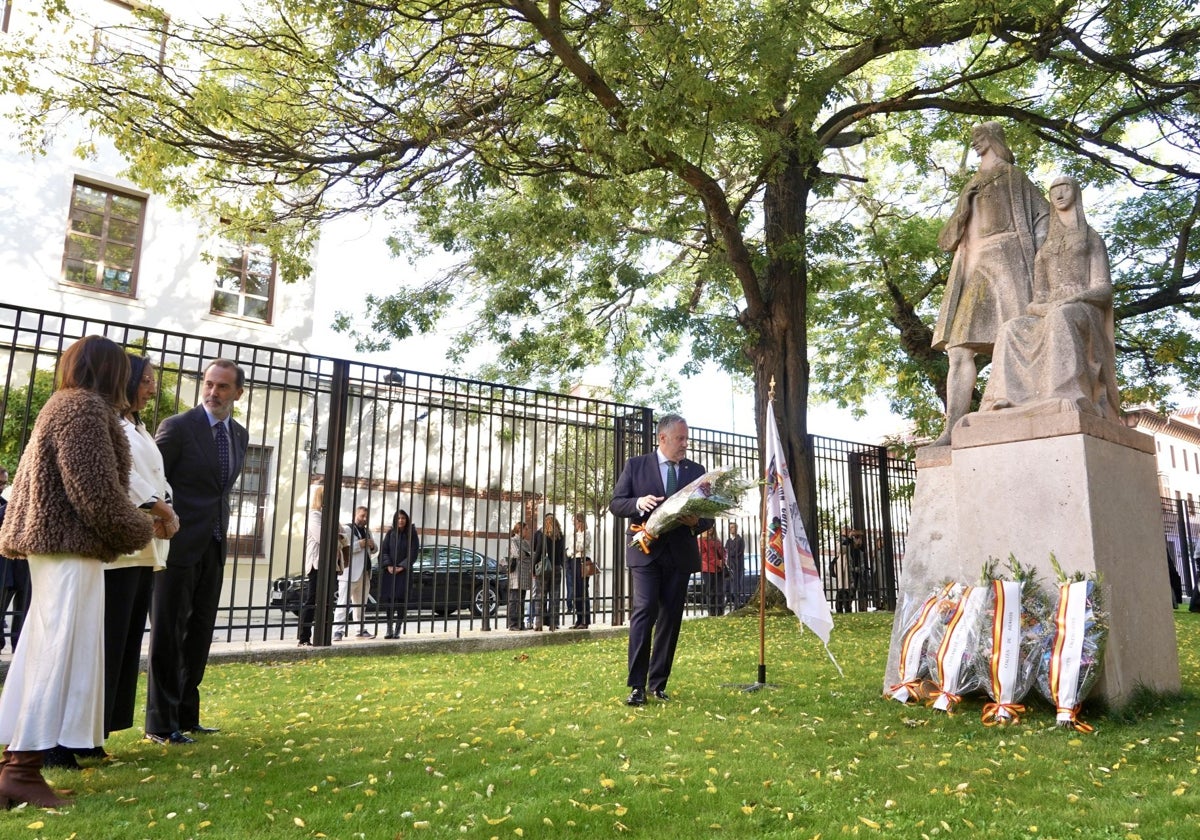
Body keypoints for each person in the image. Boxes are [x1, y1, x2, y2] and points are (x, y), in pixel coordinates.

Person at [0, 335, 154, 808]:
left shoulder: (62, 405)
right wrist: (147, 526)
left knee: (43, 648)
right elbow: (94, 493)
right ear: (108, 371)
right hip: (68, 547)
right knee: (57, 652)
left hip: (56, 545)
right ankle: (22, 770)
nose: (129, 380)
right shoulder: (84, 410)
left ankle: (14, 764)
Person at [62, 354, 177, 767]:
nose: (152, 388)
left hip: (144, 548)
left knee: (124, 646)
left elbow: (158, 480)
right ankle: (77, 735)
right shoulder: (104, 422)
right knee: (103, 644)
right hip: (118, 550)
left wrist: (167, 510)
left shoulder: (139, 426)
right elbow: (124, 480)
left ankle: (97, 732)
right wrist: (160, 511)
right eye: (145, 380)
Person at [145, 359, 248, 746]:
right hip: (177, 543)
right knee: (168, 632)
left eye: (222, 387)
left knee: (199, 632)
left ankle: (187, 715)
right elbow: (152, 479)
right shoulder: (177, 427)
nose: (213, 392)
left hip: (215, 543)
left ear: (238, 392)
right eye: (208, 384)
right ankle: (159, 722)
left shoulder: (238, 434)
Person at [930, 121, 1050, 445]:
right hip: (976, 269)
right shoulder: (971, 183)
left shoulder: (1014, 177)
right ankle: (951, 429)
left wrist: (1041, 262)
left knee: (1010, 342)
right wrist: (962, 207)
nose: (975, 143)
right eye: (973, 139)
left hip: (1010, 263)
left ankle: (1013, 409)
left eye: (980, 137)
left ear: (994, 139)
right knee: (958, 349)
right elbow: (946, 240)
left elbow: (1044, 218)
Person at [979, 176, 1121, 419]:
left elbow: (1103, 288)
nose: (1059, 194)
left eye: (1065, 188)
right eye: (1054, 190)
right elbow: (1037, 299)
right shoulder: (1045, 248)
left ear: (1075, 192)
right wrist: (1043, 308)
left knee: (1061, 316)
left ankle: (1065, 391)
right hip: (1050, 310)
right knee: (1010, 328)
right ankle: (1007, 395)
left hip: (1083, 308)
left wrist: (1072, 300)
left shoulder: (1091, 238)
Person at [610, 413, 712, 706]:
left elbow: (707, 517)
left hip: (680, 556)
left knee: (671, 619)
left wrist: (696, 521)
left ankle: (658, 683)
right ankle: (636, 686)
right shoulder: (636, 465)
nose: (685, 444)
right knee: (644, 611)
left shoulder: (696, 470)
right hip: (646, 553)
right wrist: (637, 503)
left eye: (686, 438)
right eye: (680, 438)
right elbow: (616, 503)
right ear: (662, 438)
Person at [297, 484, 344, 645]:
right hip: (317, 563)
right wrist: (336, 535)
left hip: (330, 564)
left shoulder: (330, 516)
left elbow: (343, 534)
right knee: (312, 600)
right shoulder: (315, 515)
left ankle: (323, 635)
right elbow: (321, 537)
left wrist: (336, 533)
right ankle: (304, 637)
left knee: (327, 601)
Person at [0, 465, 33, 655]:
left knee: (23, 611)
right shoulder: (9, 505)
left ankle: (19, 647)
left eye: (4, 483)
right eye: (0, 483)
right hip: (4, 567)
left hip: (22, 566)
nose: (2, 487)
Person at [334, 505, 376, 640]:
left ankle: (360, 629)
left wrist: (372, 545)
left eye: (366, 517)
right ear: (355, 515)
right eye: (361, 516)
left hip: (365, 573)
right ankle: (338, 631)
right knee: (343, 602)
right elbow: (342, 549)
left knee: (361, 604)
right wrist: (360, 544)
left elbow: (374, 550)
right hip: (349, 573)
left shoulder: (367, 531)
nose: (364, 519)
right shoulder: (347, 529)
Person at [379, 509, 420, 638]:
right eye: (398, 518)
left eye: (403, 518)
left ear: (406, 520)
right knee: (390, 601)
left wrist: (402, 566)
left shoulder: (411, 534)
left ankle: (398, 628)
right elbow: (384, 550)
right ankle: (389, 629)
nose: (401, 520)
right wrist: (389, 565)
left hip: (404, 573)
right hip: (390, 572)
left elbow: (413, 553)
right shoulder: (390, 533)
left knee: (401, 601)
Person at [531, 514, 565, 631]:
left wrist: (533, 567)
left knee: (541, 596)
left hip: (544, 568)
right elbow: (562, 554)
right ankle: (553, 623)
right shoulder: (560, 536)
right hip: (556, 568)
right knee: (555, 596)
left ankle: (539, 623)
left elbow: (538, 551)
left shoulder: (542, 535)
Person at [566, 512, 593, 629]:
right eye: (573, 522)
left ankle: (585, 620)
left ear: (581, 522)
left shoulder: (586, 533)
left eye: (575, 522)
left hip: (583, 560)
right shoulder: (573, 534)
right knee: (576, 590)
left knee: (583, 590)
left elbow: (580, 547)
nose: (574, 524)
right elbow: (569, 550)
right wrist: (572, 549)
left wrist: (573, 548)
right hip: (573, 560)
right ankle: (578, 619)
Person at [505, 521, 533, 631]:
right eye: (526, 529)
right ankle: (513, 624)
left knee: (521, 600)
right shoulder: (513, 540)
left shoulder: (525, 542)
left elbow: (530, 555)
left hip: (524, 574)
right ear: (519, 530)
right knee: (514, 599)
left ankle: (520, 623)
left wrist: (527, 555)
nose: (528, 531)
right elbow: (518, 554)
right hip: (516, 574)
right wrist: (527, 554)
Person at [698, 526, 727, 616]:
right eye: (708, 528)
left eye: (711, 528)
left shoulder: (717, 540)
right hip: (708, 569)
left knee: (720, 590)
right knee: (711, 590)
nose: (710, 529)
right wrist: (717, 562)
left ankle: (720, 610)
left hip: (719, 569)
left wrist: (723, 560)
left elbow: (724, 552)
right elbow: (704, 556)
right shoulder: (700, 540)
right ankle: (712, 611)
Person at [834, 527, 864, 614]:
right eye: (846, 530)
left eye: (850, 530)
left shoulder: (853, 540)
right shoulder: (840, 540)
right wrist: (849, 538)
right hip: (844, 566)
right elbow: (841, 550)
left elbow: (860, 550)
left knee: (851, 589)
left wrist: (858, 540)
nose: (849, 532)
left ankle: (848, 607)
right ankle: (839, 608)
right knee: (842, 587)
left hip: (854, 567)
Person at [724, 522, 746, 608]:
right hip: (729, 566)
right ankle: (728, 600)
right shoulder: (728, 540)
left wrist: (729, 552)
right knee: (727, 584)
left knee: (737, 585)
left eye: (732, 527)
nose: (730, 529)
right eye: (729, 527)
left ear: (736, 528)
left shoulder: (740, 540)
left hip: (737, 566)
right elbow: (725, 551)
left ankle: (737, 603)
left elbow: (736, 552)